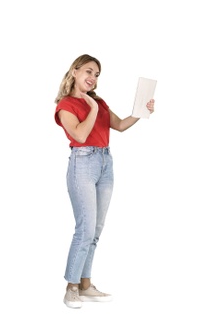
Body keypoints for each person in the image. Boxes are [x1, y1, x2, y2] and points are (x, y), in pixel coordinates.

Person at [54, 54, 155, 309]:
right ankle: (71, 287)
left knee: (96, 230)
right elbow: (80, 133)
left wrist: (140, 112)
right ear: (75, 71)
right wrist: (94, 109)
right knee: (84, 229)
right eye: (88, 71)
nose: (93, 77)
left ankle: (86, 285)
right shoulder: (65, 105)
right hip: (83, 163)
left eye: (97, 75)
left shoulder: (98, 101)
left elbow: (119, 125)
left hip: (104, 163)